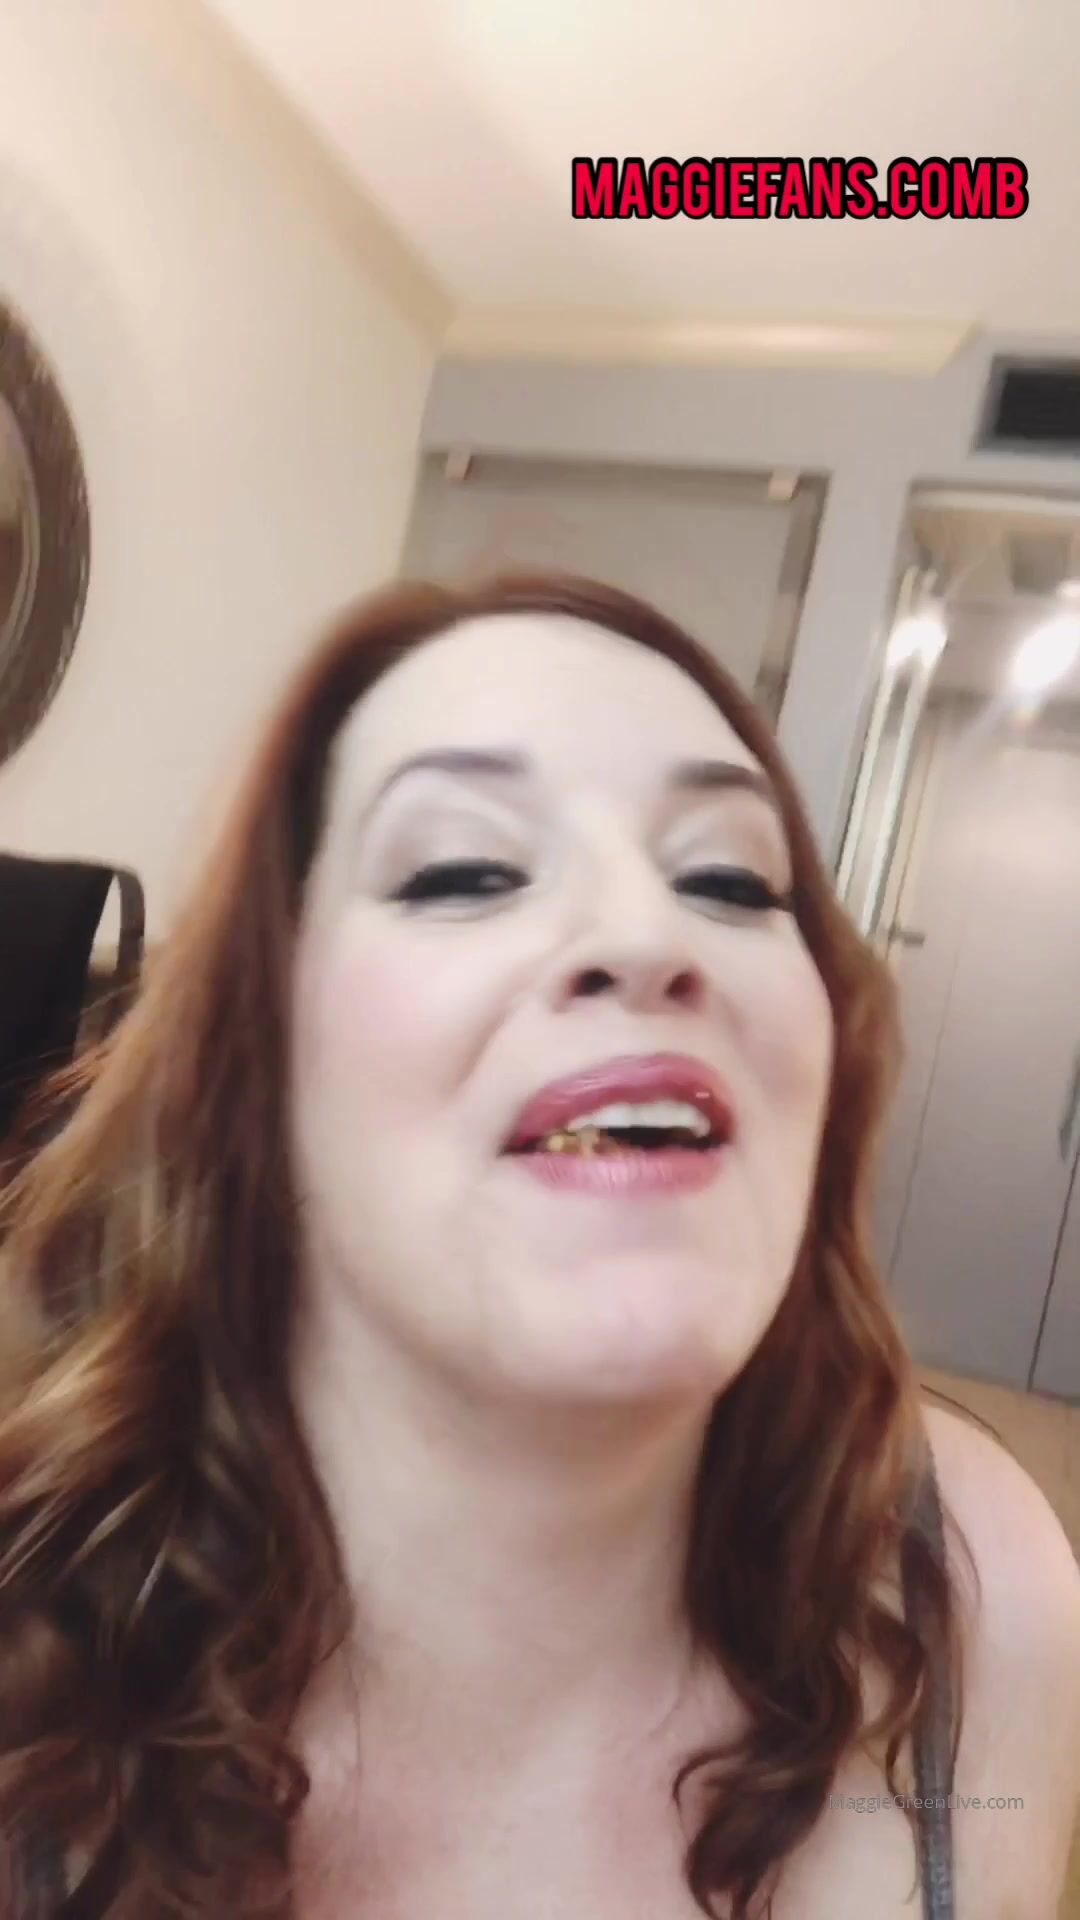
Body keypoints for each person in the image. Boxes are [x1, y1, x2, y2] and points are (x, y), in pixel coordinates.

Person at [0, 573, 1077, 1920]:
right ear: (255, 1071)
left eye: (730, 879)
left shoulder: (980, 1586)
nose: (645, 934)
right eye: (466, 871)